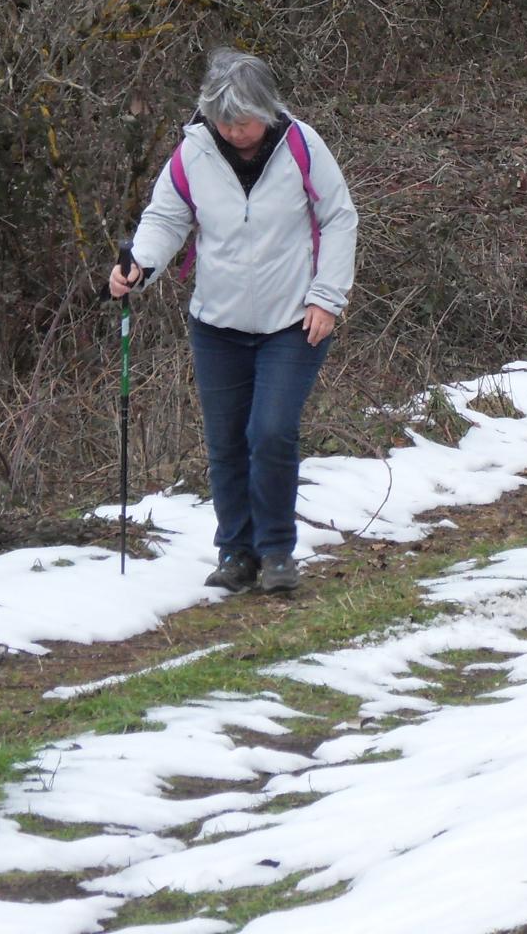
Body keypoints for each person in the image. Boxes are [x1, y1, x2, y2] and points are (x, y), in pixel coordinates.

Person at [108, 49, 358, 595]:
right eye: (223, 120)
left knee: (269, 432)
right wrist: (139, 267)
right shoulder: (192, 154)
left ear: (267, 111)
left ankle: (276, 553)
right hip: (216, 324)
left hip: (294, 320)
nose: (234, 131)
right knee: (225, 441)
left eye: (243, 120)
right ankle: (236, 553)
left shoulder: (301, 146)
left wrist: (327, 297)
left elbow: (338, 218)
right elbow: (166, 219)